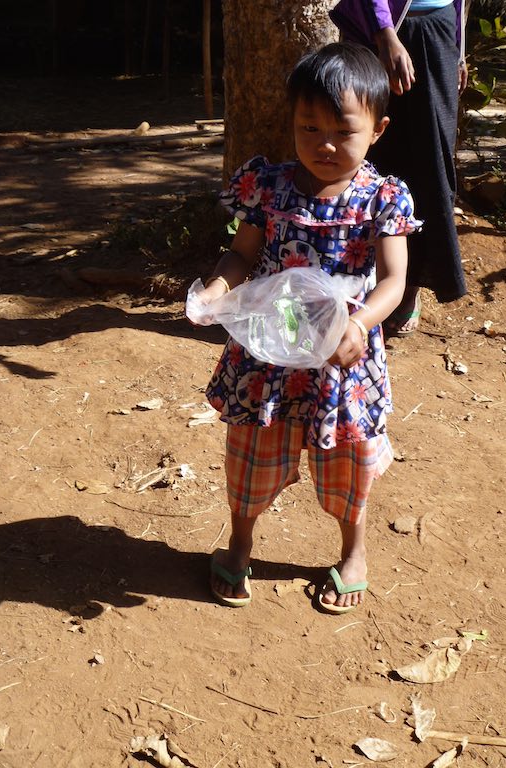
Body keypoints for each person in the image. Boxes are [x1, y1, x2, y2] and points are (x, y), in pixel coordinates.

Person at [192, 41, 420, 613]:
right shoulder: (267, 186)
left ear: (377, 129)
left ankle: (354, 551)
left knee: (347, 460)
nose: (324, 144)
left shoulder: (381, 198)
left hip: (343, 358)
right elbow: (241, 255)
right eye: (308, 127)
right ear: (290, 123)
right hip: (267, 356)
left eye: (343, 131)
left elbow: (393, 281)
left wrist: (360, 323)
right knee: (251, 452)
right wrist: (220, 284)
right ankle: (240, 544)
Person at [330, 0, 468, 336]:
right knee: (368, 152)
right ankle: (352, 281)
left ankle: (408, 287)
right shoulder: (381, 35)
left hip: (437, 30)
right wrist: (385, 33)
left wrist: (459, 47)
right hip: (378, 33)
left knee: (430, 163)